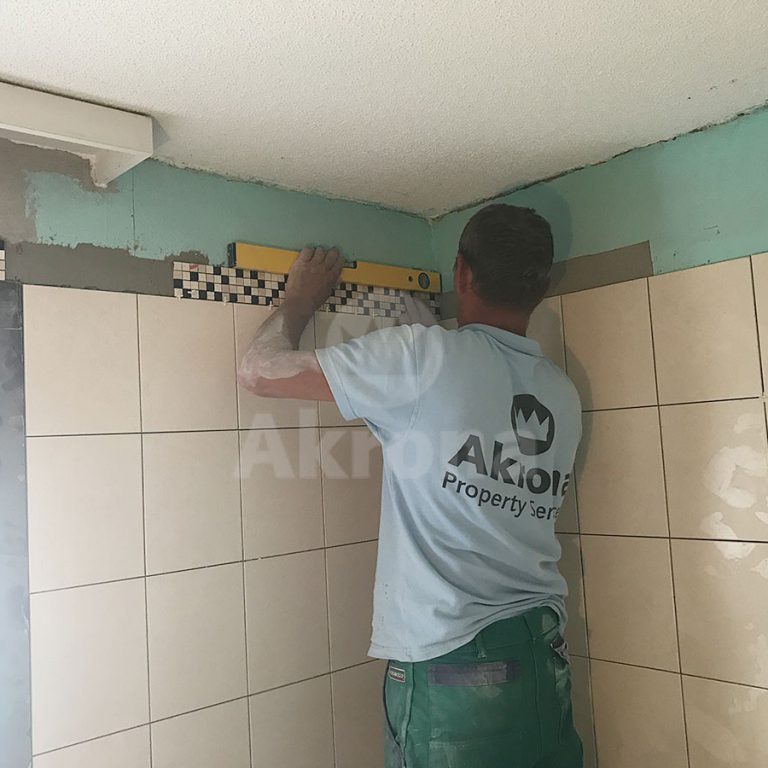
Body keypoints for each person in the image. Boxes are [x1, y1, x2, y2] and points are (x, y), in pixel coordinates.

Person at [239, 203, 583, 768]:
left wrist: (300, 299)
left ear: (462, 272)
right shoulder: (561, 394)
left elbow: (259, 372)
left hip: (456, 661)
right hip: (543, 651)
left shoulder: (425, 358)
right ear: (540, 287)